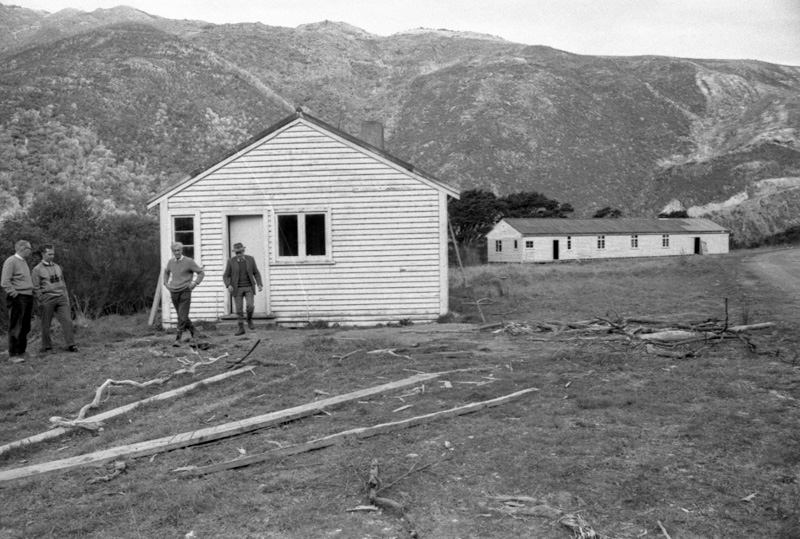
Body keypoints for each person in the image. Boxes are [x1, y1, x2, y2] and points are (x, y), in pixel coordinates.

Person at [31, 244, 77, 354]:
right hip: (47, 299)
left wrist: (65, 295)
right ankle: (47, 347)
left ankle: (71, 345)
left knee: (68, 321)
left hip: (61, 298)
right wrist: (41, 298)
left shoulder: (57, 266)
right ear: (43, 254)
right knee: (46, 324)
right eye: (49, 254)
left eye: (53, 254)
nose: (52, 256)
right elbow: (35, 286)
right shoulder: (37, 269)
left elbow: (63, 282)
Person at [163, 242, 204, 346]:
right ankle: (194, 331)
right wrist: (166, 283)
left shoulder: (189, 261)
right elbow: (166, 272)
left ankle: (178, 338)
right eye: (175, 251)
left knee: (182, 315)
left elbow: (201, 272)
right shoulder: (170, 262)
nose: (177, 252)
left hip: (185, 290)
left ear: (182, 251)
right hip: (174, 291)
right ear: (172, 252)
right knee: (182, 315)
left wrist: (195, 283)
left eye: (179, 250)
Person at [1, 240, 34, 363]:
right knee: (16, 326)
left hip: (28, 296)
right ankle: (13, 354)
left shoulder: (23, 261)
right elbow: (5, 281)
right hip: (18, 298)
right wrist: (14, 294)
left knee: (25, 326)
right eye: (29, 248)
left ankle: (21, 351)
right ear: (21, 248)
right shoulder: (11, 261)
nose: (30, 251)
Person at [223, 242, 263, 336]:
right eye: (237, 253)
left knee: (250, 306)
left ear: (243, 251)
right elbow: (226, 275)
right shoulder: (231, 261)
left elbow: (256, 273)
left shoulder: (250, 259)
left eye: (240, 252)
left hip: (249, 287)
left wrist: (259, 284)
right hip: (237, 289)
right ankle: (241, 328)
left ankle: (249, 319)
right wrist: (228, 285)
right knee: (239, 309)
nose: (238, 254)